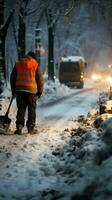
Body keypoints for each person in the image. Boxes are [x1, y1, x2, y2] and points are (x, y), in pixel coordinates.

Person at [10, 51, 44, 135]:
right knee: (31, 109)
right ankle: (30, 127)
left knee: (21, 108)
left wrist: (13, 89)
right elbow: (40, 78)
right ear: (33, 57)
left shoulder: (18, 63)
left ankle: (19, 126)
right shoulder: (35, 64)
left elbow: (12, 77)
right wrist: (40, 91)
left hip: (20, 90)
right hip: (32, 91)